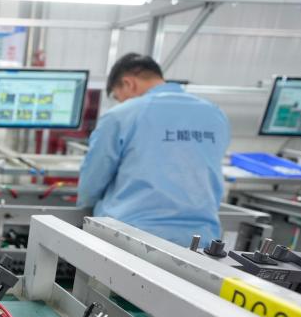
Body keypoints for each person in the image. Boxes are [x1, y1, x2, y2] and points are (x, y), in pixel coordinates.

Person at [77, 53, 230, 246]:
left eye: (118, 96)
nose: (121, 102)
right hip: (201, 239)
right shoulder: (215, 114)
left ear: (128, 83)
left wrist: (83, 209)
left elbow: (93, 179)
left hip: (129, 236)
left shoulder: (122, 115)